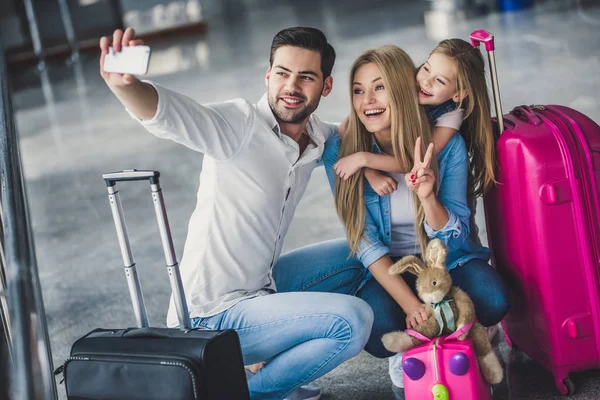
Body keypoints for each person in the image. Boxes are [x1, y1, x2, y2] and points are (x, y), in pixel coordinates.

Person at [99, 26, 374, 400]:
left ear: (325, 86)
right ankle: (252, 392)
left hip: (261, 288)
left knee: (362, 255)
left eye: (305, 77)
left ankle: (265, 364)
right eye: (282, 73)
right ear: (268, 75)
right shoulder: (237, 124)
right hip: (209, 317)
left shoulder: (318, 136)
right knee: (352, 321)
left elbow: (374, 127)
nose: (291, 86)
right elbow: (170, 115)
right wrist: (125, 86)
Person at [272, 45, 509, 400]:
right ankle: (425, 336)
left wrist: (428, 197)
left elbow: (456, 235)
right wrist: (411, 305)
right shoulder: (343, 149)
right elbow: (364, 239)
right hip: (392, 267)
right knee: (380, 329)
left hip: (446, 260)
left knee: (492, 299)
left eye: (379, 87)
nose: (368, 99)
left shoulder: (446, 143)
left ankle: (463, 329)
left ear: (402, 88)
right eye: (358, 90)